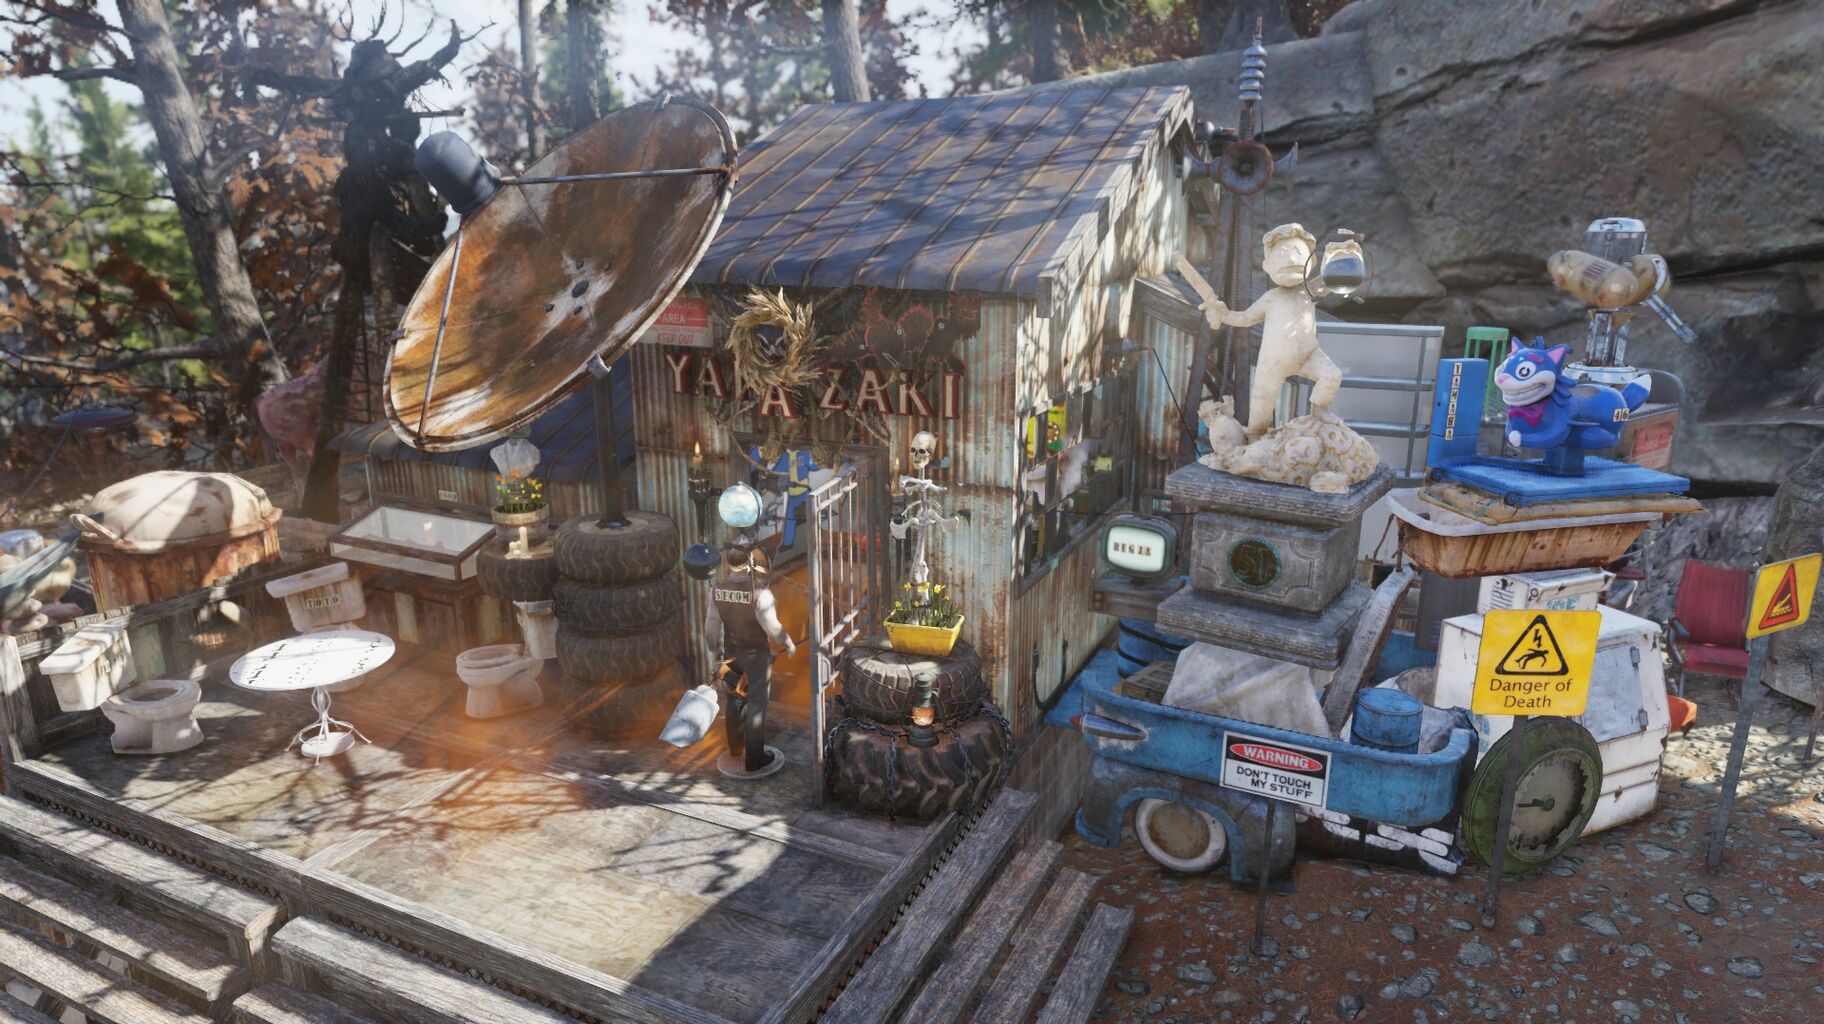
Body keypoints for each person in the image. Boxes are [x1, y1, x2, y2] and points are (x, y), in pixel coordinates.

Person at [1202, 223, 1344, 438]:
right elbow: (1245, 318)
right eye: (1283, 254)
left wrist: (1346, 254)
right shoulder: (1271, 298)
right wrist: (1223, 315)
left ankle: (1318, 411)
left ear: (1311, 262)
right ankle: (1255, 439)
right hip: (1272, 362)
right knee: (1260, 410)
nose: (1291, 259)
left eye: (1298, 253)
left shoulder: (1310, 291)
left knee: (1332, 376)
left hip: (1309, 356)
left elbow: (1336, 277)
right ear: (1267, 266)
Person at [703, 540, 795, 778]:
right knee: (756, 704)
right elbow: (773, 629)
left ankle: (735, 750)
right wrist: (788, 643)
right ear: (751, 562)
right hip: (756, 657)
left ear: (727, 563)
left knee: (734, 700)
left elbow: (711, 628)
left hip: (731, 655)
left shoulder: (717, 590)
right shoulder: (760, 593)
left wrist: (714, 648)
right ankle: (755, 759)